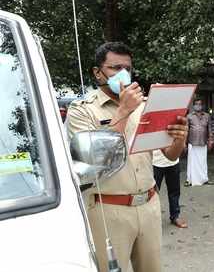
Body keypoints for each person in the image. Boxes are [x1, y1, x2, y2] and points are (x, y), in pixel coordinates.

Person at [66, 42, 187, 272]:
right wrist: (123, 111)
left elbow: (170, 155)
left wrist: (180, 137)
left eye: (127, 68)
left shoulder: (145, 106)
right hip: (108, 210)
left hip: (149, 204)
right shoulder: (81, 110)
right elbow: (91, 162)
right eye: (115, 68)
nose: (123, 74)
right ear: (97, 72)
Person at [152, 149, 188, 228]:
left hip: (173, 162)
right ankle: (152, 219)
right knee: (153, 194)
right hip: (155, 162)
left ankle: (175, 216)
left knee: (174, 191)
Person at [185, 98, 213, 186]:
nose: (198, 105)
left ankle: (204, 179)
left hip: (203, 142)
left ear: (202, 105)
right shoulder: (189, 116)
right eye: (196, 104)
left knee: (203, 162)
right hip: (192, 142)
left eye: (200, 104)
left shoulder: (207, 116)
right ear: (193, 106)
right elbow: (186, 130)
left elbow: (210, 129)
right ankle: (189, 180)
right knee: (191, 162)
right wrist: (183, 143)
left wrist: (210, 140)